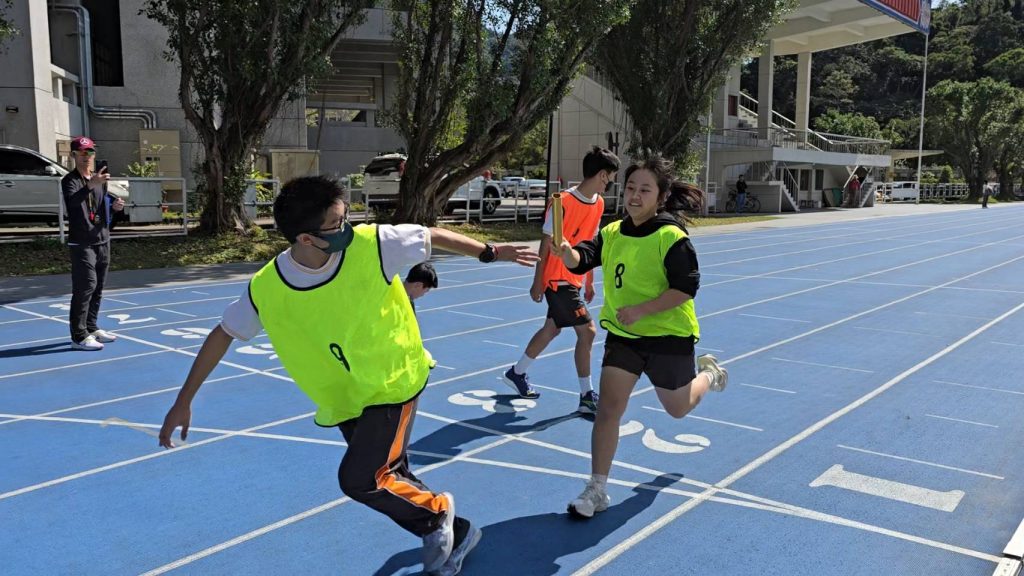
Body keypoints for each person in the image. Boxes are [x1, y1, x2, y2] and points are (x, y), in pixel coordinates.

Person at [158, 176, 538, 575]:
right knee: (391, 475)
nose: (348, 228)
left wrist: (491, 252)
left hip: (394, 380)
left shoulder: (373, 245)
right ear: (305, 239)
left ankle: (438, 513)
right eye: (337, 224)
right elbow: (223, 335)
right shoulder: (267, 287)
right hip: (345, 395)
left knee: (360, 479)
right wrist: (184, 400)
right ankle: (456, 532)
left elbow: (430, 236)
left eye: (347, 217)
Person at [549, 157, 728, 519]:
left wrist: (644, 309)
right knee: (608, 411)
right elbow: (585, 257)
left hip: (668, 338)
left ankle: (709, 375)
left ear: (660, 197)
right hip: (624, 338)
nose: (634, 195)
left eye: (644, 190)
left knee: (677, 409)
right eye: (630, 188)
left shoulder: (671, 237)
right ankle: (597, 488)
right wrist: (568, 254)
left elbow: (686, 288)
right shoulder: (614, 231)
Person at [503, 146, 619, 414]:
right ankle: (587, 396)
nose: (611, 182)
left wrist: (589, 281)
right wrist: (538, 280)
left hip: (574, 278)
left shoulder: (599, 204)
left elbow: (589, 245)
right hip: (558, 278)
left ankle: (517, 372)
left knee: (552, 329)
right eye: (611, 176)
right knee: (587, 332)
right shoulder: (562, 202)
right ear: (602, 175)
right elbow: (546, 243)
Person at [61, 136, 125, 351]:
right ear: (74, 155)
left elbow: (100, 210)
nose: (86, 157)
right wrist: (90, 185)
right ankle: (78, 336)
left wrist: (115, 209)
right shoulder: (70, 180)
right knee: (85, 286)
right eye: (82, 153)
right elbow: (73, 205)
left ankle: (91, 326)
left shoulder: (99, 180)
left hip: (102, 240)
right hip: (82, 243)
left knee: (98, 286)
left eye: (89, 153)